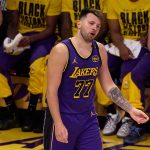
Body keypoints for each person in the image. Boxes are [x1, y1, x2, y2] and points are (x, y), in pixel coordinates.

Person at [46, 8, 149, 150]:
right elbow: (51, 92)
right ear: (79, 24)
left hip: (88, 118)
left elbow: (109, 85)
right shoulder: (61, 50)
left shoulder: (100, 49)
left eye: (98, 26)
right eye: (91, 23)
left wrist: (130, 109)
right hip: (63, 117)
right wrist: (58, 123)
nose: (95, 28)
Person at [0, 0, 61, 131]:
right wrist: (11, 42)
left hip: (43, 37)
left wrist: (31, 40)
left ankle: (32, 113)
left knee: (37, 66)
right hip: (21, 37)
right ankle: (11, 112)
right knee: (0, 63)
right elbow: (13, 23)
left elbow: (50, 29)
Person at [96, 0, 150, 140]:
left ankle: (128, 117)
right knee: (99, 66)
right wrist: (121, 48)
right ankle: (112, 113)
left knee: (127, 75)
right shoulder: (114, 2)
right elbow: (114, 31)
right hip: (120, 43)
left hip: (140, 46)